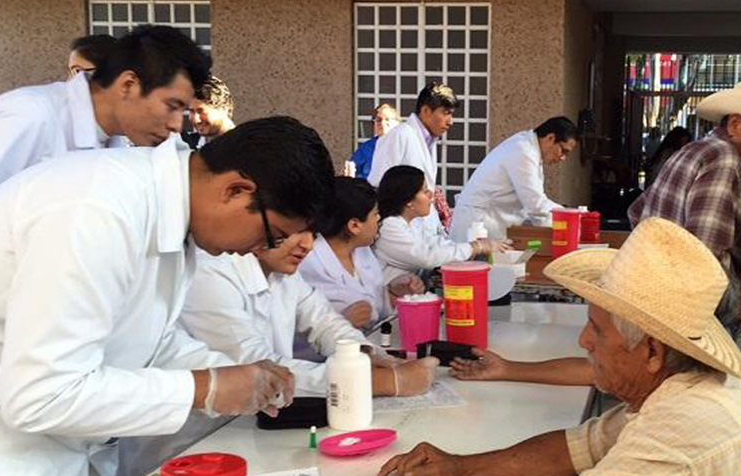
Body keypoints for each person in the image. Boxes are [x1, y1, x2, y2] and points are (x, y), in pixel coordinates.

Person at [0, 116, 337, 476]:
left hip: (63, 459)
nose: (260, 250)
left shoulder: (172, 215)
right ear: (236, 189)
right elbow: (41, 394)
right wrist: (202, 388)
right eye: (272, 236)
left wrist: (236, 374)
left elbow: (147, 340)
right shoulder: (96, 210)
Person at [376, 218, 741, 476]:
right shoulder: (685, 389)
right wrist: (459, 466)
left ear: (652, 352)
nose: (583, 340)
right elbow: (577, 448)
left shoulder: (679, 433)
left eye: (596, 329)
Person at [0, 24, 209, 217]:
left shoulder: (117, 141)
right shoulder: (28, 116)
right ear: (128, 85)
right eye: (172, 106)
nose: (176, 125)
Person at [628, 81, 741, 331]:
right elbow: (704, 252)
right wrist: (739, 308)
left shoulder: (694, 150)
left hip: (654, 296)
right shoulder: (724, 160)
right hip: (683, 312)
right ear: (736, 125)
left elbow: (637, 211)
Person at [181, 231, 438, 399]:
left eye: (312, 232)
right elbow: (255, 367)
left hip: (261, 417)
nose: (306, 245)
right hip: (206, 435)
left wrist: (367, 355)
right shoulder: (211, 273)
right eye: (292, 230)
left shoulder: (284, 272)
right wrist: (376, 382)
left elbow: (326, 323)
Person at [300, 177, 423, 329]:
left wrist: (392, 293)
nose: (379, 220)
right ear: (354, 225)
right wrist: (341, 323)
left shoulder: (362, 251)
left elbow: (373, 308)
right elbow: (295, 328)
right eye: (375, 214)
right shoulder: (308, 263)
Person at [450, 116, 578, 242]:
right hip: (477, 224)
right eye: (563, 151)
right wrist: (569, 218)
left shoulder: (529, 147)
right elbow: (535, 205)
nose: (563, 158)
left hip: (490, 222)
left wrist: (565, 214)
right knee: (477, 262)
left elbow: (535, 203)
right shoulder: (523, 151)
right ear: (551, 138)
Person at [374, 165, 508, 284]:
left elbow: (436, 244)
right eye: (424, 190)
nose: (431, 194)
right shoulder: (388, 227)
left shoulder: (412, 222)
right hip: (385, 305)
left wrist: (472, 248)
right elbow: (426, 256)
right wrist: (474, 247)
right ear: (408, 200)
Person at [367, 83, 459, 234]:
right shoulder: (399, 135)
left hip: (424, 230)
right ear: (426, 111)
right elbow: (378, 184)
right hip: (400, 232)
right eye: (446, 113)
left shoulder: (429, 141)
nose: (450, 121)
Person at [349, 103, 400, 180]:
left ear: (397, 123)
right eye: (378, 120)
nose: (382, 123)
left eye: (387, 119)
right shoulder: (365, 148)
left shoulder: (404, 146)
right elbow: (351, 174)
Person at [184, 75, 235, 149]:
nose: (196, 119)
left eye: (201, 111)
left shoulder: (245, 147)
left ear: (223, 109)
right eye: (191, 111)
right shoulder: (186, 147)